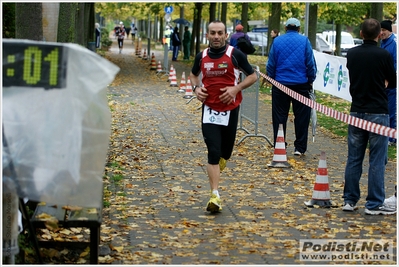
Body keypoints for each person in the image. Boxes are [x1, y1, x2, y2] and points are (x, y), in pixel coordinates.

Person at [189, 20, 257, 213]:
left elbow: (252, 76)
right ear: (207, 35)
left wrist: (236, 88)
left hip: (230, 109)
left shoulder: (235, 54)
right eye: (213, 33)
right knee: (213, 150)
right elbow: (194, 75)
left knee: (225, 153)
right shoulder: (201, 56)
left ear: (226, 35)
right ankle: (214, 195)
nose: (216, 37)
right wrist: (196, 89)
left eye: (220, 33)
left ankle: (220, 165)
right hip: (209, 109)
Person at [342, 18, 396, 215]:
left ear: (361, 34)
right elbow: (394, 81)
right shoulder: (384, 55)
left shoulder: (352, 54)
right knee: (377, 160)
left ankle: (349, 200)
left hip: (356, 110)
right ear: (379, 34)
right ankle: (374, 204)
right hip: (378, 113)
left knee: (354, 158)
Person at [266, 18, 317, 156]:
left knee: (279, 115)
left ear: (285, 27)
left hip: (280, 84)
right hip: (300, 84)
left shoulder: (277, 41)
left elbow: (271, 64)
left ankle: (280, 144)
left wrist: (272, 78)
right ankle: (299, 148)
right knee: (301, 116)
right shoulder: (305, 41)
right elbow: (310, 63)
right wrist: (310, 80)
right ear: (299, 28)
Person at [380, 20, 397, 145]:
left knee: (391, 110)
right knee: (384, 109)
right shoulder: (382, 43)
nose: (381, 33)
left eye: (384, 30)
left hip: (392, 83)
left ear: (389, 31)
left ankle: (392, 137)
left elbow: (395, 63)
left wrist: (388, 77)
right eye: (380, 30)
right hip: (383, 83)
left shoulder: (394, 44)